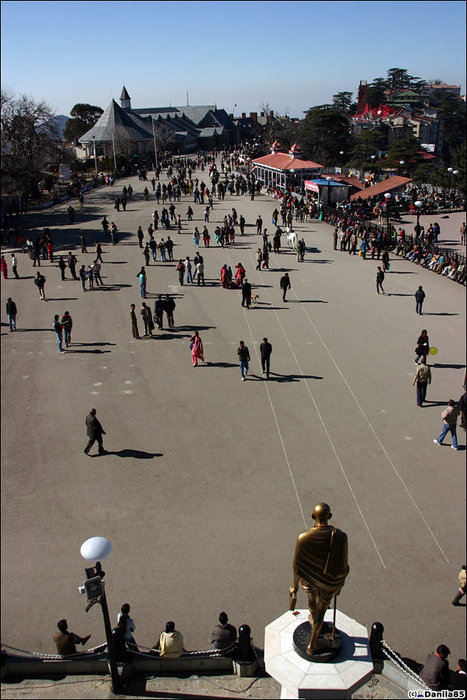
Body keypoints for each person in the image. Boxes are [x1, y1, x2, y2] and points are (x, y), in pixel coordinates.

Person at [289, 503, 349, 654]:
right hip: (329, 581)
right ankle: (315, 636)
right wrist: (339, 580)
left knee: (311, 601)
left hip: (309, 578)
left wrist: (294, 586)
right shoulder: (341, 537)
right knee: (322, 609)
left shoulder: (303, 538)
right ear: (329, 516)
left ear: (312, 516)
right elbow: (344, 564)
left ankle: (313, 640)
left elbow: (297, 567)